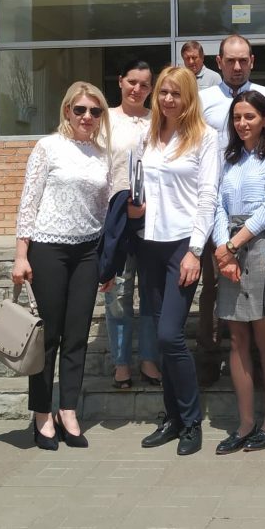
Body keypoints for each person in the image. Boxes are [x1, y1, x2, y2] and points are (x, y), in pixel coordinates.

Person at [12, 81, 111, 450]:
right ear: (67, 110)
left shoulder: (102, 155)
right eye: (80, 109)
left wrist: (107, 258)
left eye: (95, 111)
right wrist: (21, 255)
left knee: (76, 336)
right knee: (48, 336)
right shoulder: (48, 147)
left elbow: (104, 209)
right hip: (48, 249)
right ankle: (42, 413)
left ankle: (68, 410)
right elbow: (29, 201)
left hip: (88, 252)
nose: (87, 117)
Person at [133, 66, 220, 456]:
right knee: (158, 336)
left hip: (182, 246)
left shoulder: (205, 137)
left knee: (170, 335)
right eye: (163, 93)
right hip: (148, 243)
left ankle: (191, 420)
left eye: (176, 93)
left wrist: (195, 251)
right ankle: (172, 418)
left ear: (189, 98)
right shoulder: (148, 136)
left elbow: (208, 196)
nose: (168, 99)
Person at [197, 33, 265, 381]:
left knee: (262, 308)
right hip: (217, 208)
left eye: (243, 60)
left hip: (257, 216)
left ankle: (257, 368)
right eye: (230, 60)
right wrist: (224, 242)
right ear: (218, 62)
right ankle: (210, 360)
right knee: (213, 288)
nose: (236, 66)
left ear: (252, 61)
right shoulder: (203, 99)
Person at [212, 90, 265, 454]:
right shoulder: (228, 158)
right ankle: (245, 423)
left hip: (259, 246)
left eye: (250, 116)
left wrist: (233, 245)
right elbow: (216, 204)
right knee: (237, 339)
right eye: (237, 117)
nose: (242, 123)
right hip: (228, 249)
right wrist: (222, 249)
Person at [97, 60, 161, 390]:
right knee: (119, 292)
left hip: (154, 218)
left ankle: (149, 359)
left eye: (144, 84)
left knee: (151, 291)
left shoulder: (158, 119)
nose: (137, 89)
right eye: (132, 82)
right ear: (121, 81)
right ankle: (121, 363)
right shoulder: (104, 119)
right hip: (118, 216)